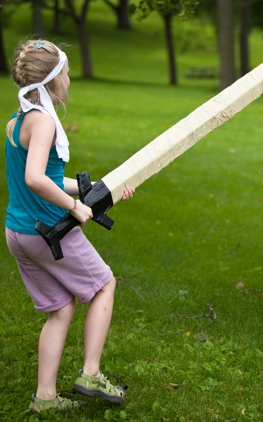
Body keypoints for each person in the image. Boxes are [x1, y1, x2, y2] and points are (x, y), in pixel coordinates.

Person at [4, 39, 135, 413]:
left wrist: (96, 191)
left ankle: (44, 398)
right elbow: (35, 179)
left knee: (61, 308)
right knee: (103, 284)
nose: (69, 78)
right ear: (52, 81)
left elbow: (49, 176)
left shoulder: (18, 120)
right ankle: (90, 373)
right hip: (46, 232)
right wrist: (75, 207)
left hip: (19, 232)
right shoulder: (43, 121)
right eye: (65, 70)